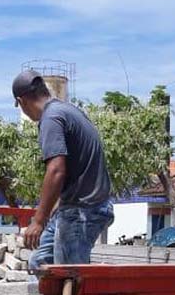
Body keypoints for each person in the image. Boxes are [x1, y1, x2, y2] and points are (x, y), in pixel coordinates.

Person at [12, 69, 114, 269]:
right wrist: (54, 207)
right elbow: (78, 168)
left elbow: (56, 170)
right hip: (81, 206)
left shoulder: (51, 118)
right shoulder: (68, 111)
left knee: (68, 275)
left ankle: (75, 290)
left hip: (82, 211)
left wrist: (38, 220)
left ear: (21, 101)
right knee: (40, 262)